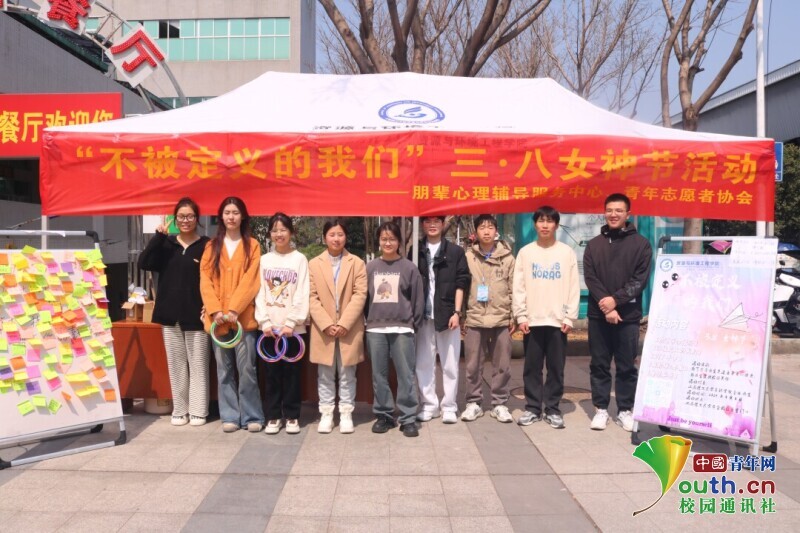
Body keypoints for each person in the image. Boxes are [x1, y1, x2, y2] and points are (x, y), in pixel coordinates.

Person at [138, 197, 211, 426]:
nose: (185, 220)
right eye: (181, 216)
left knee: (198, 365)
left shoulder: (206, 245)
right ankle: (180, 409)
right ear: (175, 219)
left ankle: (198, 410)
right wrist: (158, 237)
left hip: (197, 315)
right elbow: (144, 262)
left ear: (197, 219)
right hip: (170, 314)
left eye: (190, 216)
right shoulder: (166, 244)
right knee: (176, 365)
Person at [583, 193, 653, 431]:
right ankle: (601, 409)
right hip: (598, 315)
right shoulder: (594, 245)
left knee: (626, 366)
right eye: (609, 210)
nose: (613, 215)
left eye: (619, 211)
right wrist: (606, 305)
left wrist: (616, 301)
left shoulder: (641, 244)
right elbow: (590, 278)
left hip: (628, 316)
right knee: (599, 364)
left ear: (627, 214)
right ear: (604, 212)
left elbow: (639, 280)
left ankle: (625, 409)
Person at [200, 197, 264, 433]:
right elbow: (205, 280)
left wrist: (235, 308)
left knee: (247, 369)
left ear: (243, 216)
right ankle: (229, 415)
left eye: (235, 212)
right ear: (221, 216)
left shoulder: (252, 246)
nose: (231, 217)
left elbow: (251, 280)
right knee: (224, 370)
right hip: (217, 322)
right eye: (227, 212)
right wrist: (216, 310)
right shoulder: (211, 246)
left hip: (243, 320)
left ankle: (252, 415)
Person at [512, 206, 580, 429]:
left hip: (558, 321)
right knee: (531, 368)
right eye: (541, 221)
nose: (545, 225)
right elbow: (518, 286)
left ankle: (552, 408)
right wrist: (521, 315)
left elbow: (573, 286)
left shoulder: (566, 253)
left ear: (556, 225)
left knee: (556, 368)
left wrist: (569, 317)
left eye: (549, 221)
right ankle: (533, 408)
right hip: (532, 321)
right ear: (535, 224)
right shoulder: (526, 252)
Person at [365, 222, 425, 438]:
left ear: (399, 241)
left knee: (406, 374)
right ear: (379, 241)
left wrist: (412, 324)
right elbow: (364, 299)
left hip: (402, 328)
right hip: (375, 329)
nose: (388, 243)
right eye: (384, 239)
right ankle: (384, 415)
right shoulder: (370, 267)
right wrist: (368, 321)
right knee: (378, 375)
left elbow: (418, 300)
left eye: (392, 239)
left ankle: (408, 418)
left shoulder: (409, 268)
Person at [308, 219, 367, 434]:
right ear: (325, 237)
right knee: (324, 373)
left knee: (347, 372)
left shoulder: (356, 263)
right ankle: (326, 413)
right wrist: (326, 324)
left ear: (345, 237)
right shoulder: (314, 264)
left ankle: (346, 413)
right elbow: (311, 297)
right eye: (332, 234)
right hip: (323, 329)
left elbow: (360, 295)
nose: (336, 238)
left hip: (349, 328)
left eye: (340, 234)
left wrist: (344, 323)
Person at [255, 213, 310, 435]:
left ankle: (292, 416)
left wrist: (291, 322)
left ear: (291, 232)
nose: (279, 234)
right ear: (270, 233)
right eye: (275, 230)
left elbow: (303, 292)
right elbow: (259, 292)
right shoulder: (264, 260)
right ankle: (273, 416)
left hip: (293, 331)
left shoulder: (300, 259)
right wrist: (265, 321)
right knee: (271, 374)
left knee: (292, 374)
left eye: (283, 229)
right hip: (268, 330)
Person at [412, 216, 470, 424]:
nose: (432, 225)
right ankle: (429, 405)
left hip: (448, 315)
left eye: (437, 221)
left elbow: (462, 282)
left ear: (444, 224)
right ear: (422, 224)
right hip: (423, 316)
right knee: (424, 363)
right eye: (428, 221)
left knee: (450, 363)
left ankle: (449, 406)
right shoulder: (416, 251)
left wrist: (457, 312)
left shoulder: (455, 252)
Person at [460, 214, 516, 424]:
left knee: (503, 364)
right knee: (473, 364)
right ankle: (473, 402)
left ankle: (499, 403)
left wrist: (514, 316)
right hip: (475, 318)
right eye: (482, 227)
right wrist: (462, 315)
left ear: (496, 231)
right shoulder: (468, 257)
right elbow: (462, 287)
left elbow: (514, 288)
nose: (486, 231)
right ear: (475, 232)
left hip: (501, 318)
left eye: (490, 227)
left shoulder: (508, 258)